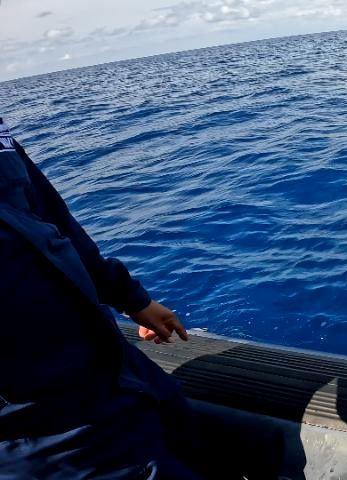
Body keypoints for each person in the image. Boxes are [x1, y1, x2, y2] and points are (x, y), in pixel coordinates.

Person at [0, 116, 203, 479]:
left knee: (197, 445)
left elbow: (46, 214)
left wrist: (128, 296)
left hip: (114, 369)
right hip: (44, 428)